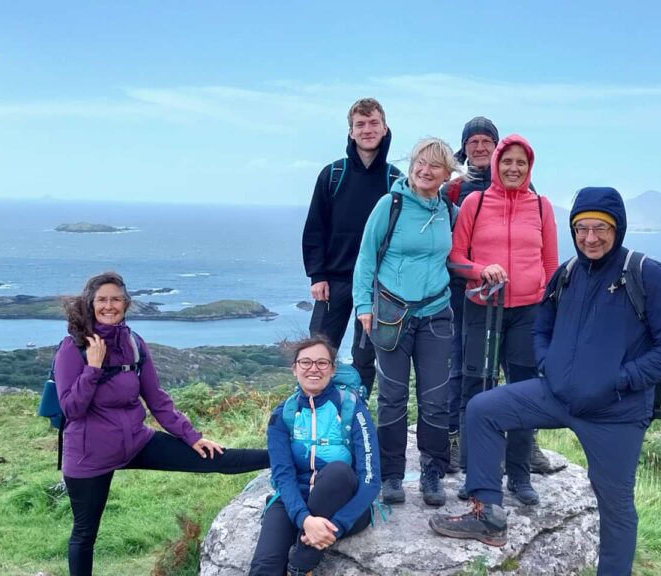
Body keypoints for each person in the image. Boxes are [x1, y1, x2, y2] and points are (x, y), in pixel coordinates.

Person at [430, 187, 661, 576]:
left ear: (617, 228)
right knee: (484, 409)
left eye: (600, 229)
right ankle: (488, 515)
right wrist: (548, 364)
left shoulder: (646, 274)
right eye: (581, 229)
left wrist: (619, 380)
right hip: (557, 396)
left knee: (615, 505)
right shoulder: (567, 274)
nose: (590, 238)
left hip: (615, 412)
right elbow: (542, 328)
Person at [55, 272, 269, 576]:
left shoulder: (133, 343)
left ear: (126, 303)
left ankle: (288, 456)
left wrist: (192, 437)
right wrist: (92, 367)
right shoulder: (72, 348)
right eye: (102, 299)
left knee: (214, 458)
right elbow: (71, 409)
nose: (109, 305)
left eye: (116, 299)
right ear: (90, 304)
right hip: (89, 455)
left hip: (136, 441)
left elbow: (156, 399)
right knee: (85, 533)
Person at [353, 137, 464, 507]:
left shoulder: (449, 210)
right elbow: (366, 257)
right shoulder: (391, 204)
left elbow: (458, 257)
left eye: (434, 165)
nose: (424, 170)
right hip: (391, 314)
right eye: (420, 162)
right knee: (392, 397)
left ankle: (432, 472)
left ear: (447, 173)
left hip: (436, 313)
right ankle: (391, 476)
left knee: (435, 399)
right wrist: (362, 307)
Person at [449, 134, 558, 505]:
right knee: (476, 389)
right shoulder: (475, 204)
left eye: (521, 163)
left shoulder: (542, 207)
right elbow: (455, 259)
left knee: (525, 391)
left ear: (529, 168)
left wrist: (549, 307)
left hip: (529, 311)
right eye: (507, 161)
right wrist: (481, 270)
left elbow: (550, 266)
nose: (513, 168)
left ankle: (520, 475)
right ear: (495, 164)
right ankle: (476, 475)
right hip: (482, 306)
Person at [248, 336, 380, 576]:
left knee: (338, 471)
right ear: (294, 369)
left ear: (332, 369)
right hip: (294, 501)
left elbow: (370, 479)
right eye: (305, 362)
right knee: (263, 568)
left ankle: (300, 565)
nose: (313, 369)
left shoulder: (351, 408)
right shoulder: (283, 415)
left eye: (322, 363)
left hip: (344, 505)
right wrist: (305, 520)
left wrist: (336, 526)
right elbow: (283, 476)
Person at [302, 98, 400, 398]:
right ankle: (313, 413)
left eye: (373, 123)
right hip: (334, 282)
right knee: (318, 353)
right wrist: (317, 275)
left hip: (376, 286)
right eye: (360, 124)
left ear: (385, 129)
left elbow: (398, 237)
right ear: (351, 132)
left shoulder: (395, 180)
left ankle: (354, 414)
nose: (367, 129)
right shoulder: (333, 174)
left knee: (365, 358)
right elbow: (315, 227)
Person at [441, 116, 499, 474]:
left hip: (506, 293)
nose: (479, 148)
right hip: (461, 291)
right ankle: (453, 439)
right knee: (461, 365)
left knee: (506, 368)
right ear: (465, 148)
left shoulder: (519, 184)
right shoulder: (453, 188)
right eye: (473, 142)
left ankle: (519, 440)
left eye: (486, 142)